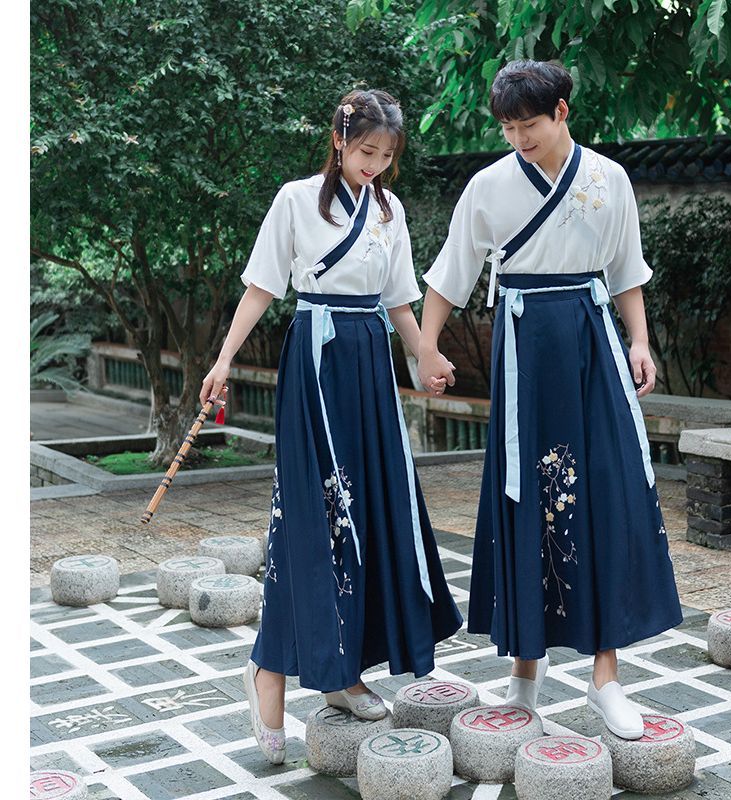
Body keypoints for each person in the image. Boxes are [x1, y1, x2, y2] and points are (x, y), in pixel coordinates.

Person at [417, 61, 682, 740]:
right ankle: (525, 671)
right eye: (507, 128)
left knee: (604, 493)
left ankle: (606, 678)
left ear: (561, 111)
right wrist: (426, 346)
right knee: (525, 494)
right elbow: (452, 272)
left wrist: (641, 342)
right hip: (524, 345)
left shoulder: (607, 179)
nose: (517, 139)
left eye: (528, 125)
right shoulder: (489, 186)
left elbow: (627, 270)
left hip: (591, 341)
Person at [200, 88, 463, 764]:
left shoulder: (388, 209)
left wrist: (424, 355)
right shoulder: (294, 200)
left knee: (369, 513)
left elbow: (400, 300)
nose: (375, 165)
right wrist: (224, 360)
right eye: (367, 151)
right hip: (315, 362)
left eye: (386, 155)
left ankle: (344, 672)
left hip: (368, 363)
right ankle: (269, 671)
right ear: (340, 140)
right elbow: (262, 286)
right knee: (315, 518)